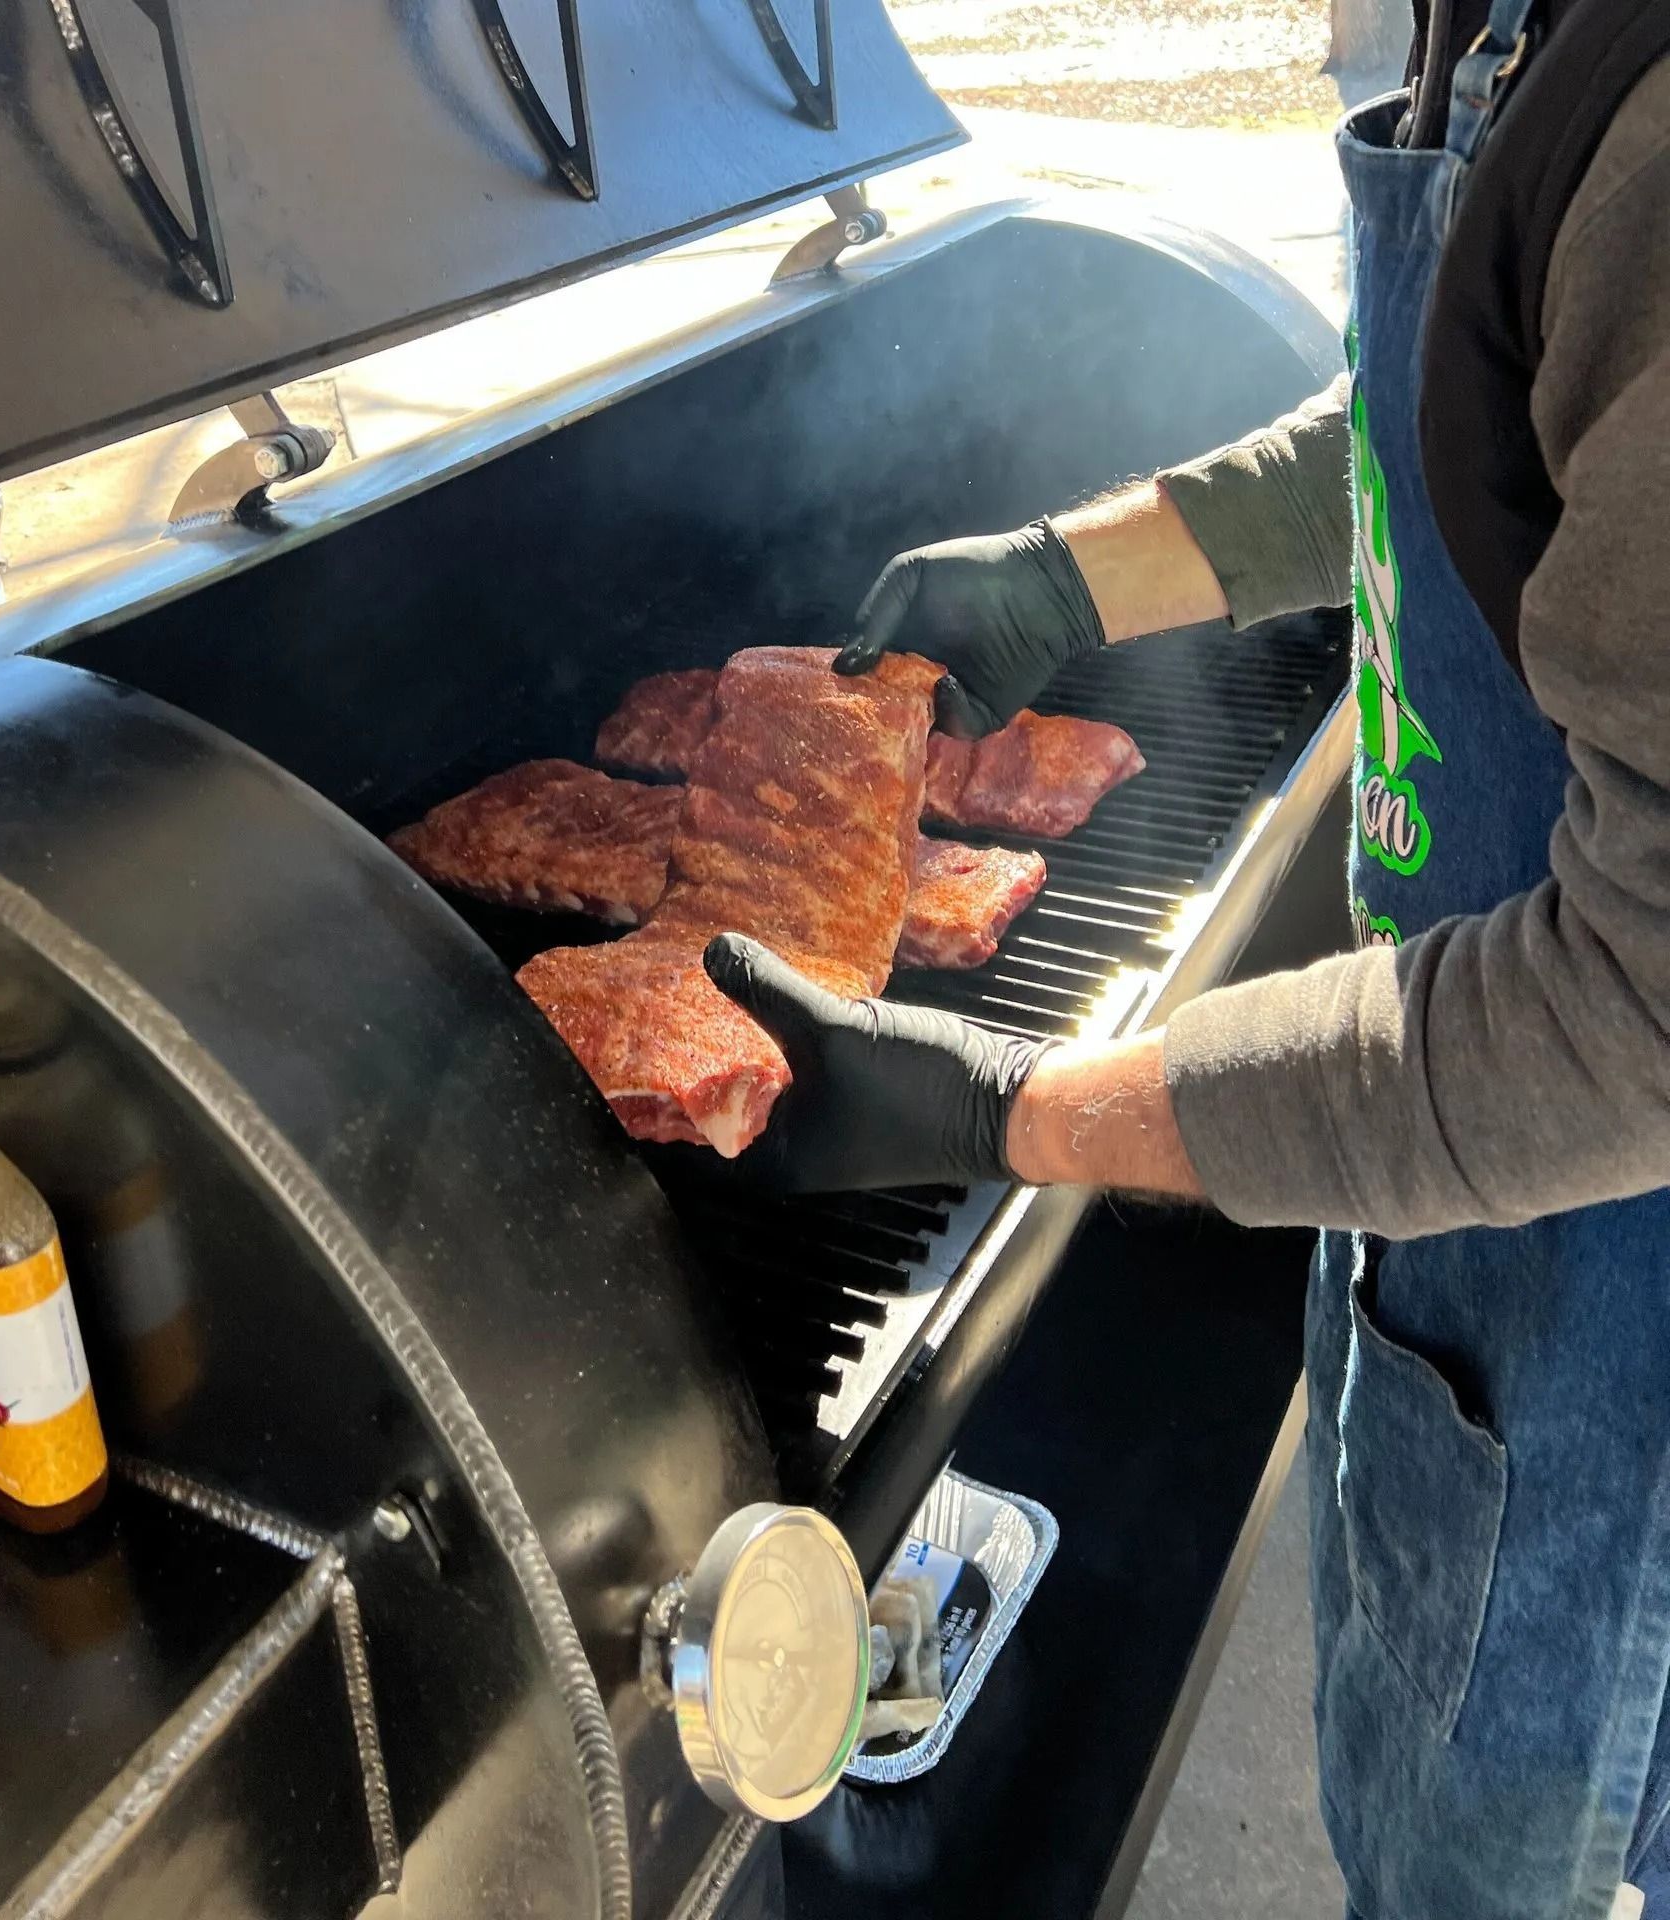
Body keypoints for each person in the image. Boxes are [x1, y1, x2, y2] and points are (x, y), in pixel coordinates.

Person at [702, 4, 1670, 1916]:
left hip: (1617, 1288)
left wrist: (1011, 1106)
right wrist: (1075, 574)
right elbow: (1453, 423)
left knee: (1514, 1865)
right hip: (1467, 1203)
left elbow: (1640, 1013)